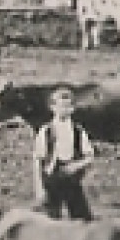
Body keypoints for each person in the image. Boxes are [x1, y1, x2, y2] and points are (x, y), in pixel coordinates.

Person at [32, 86, 96, 220]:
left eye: (67, 107)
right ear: (52, 107)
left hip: (71, 179)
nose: (64, 110)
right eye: (60, 106)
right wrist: (39, 188)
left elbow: (90, 156)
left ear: (73, 109)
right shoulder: (46, 131)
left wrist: (76, 166)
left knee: (83, 219)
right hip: (52, 179)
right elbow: (38, 160)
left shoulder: (78, 131)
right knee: (52, 219)